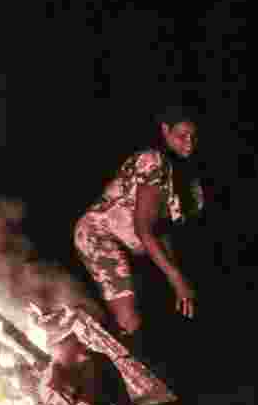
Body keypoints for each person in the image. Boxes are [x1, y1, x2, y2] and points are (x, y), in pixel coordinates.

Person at [73, 105, 204, 350]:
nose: (189, 143)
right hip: (98, 236)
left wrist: (175, 275)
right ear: (165, 130)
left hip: (132, 249)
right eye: (182, 135)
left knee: (139, 322)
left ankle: (97, 352)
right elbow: (144, 228)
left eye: (194, 137)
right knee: (130, 320)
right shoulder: (153, 162)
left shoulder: (185, 180)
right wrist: (175, 278)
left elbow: (163, 232)